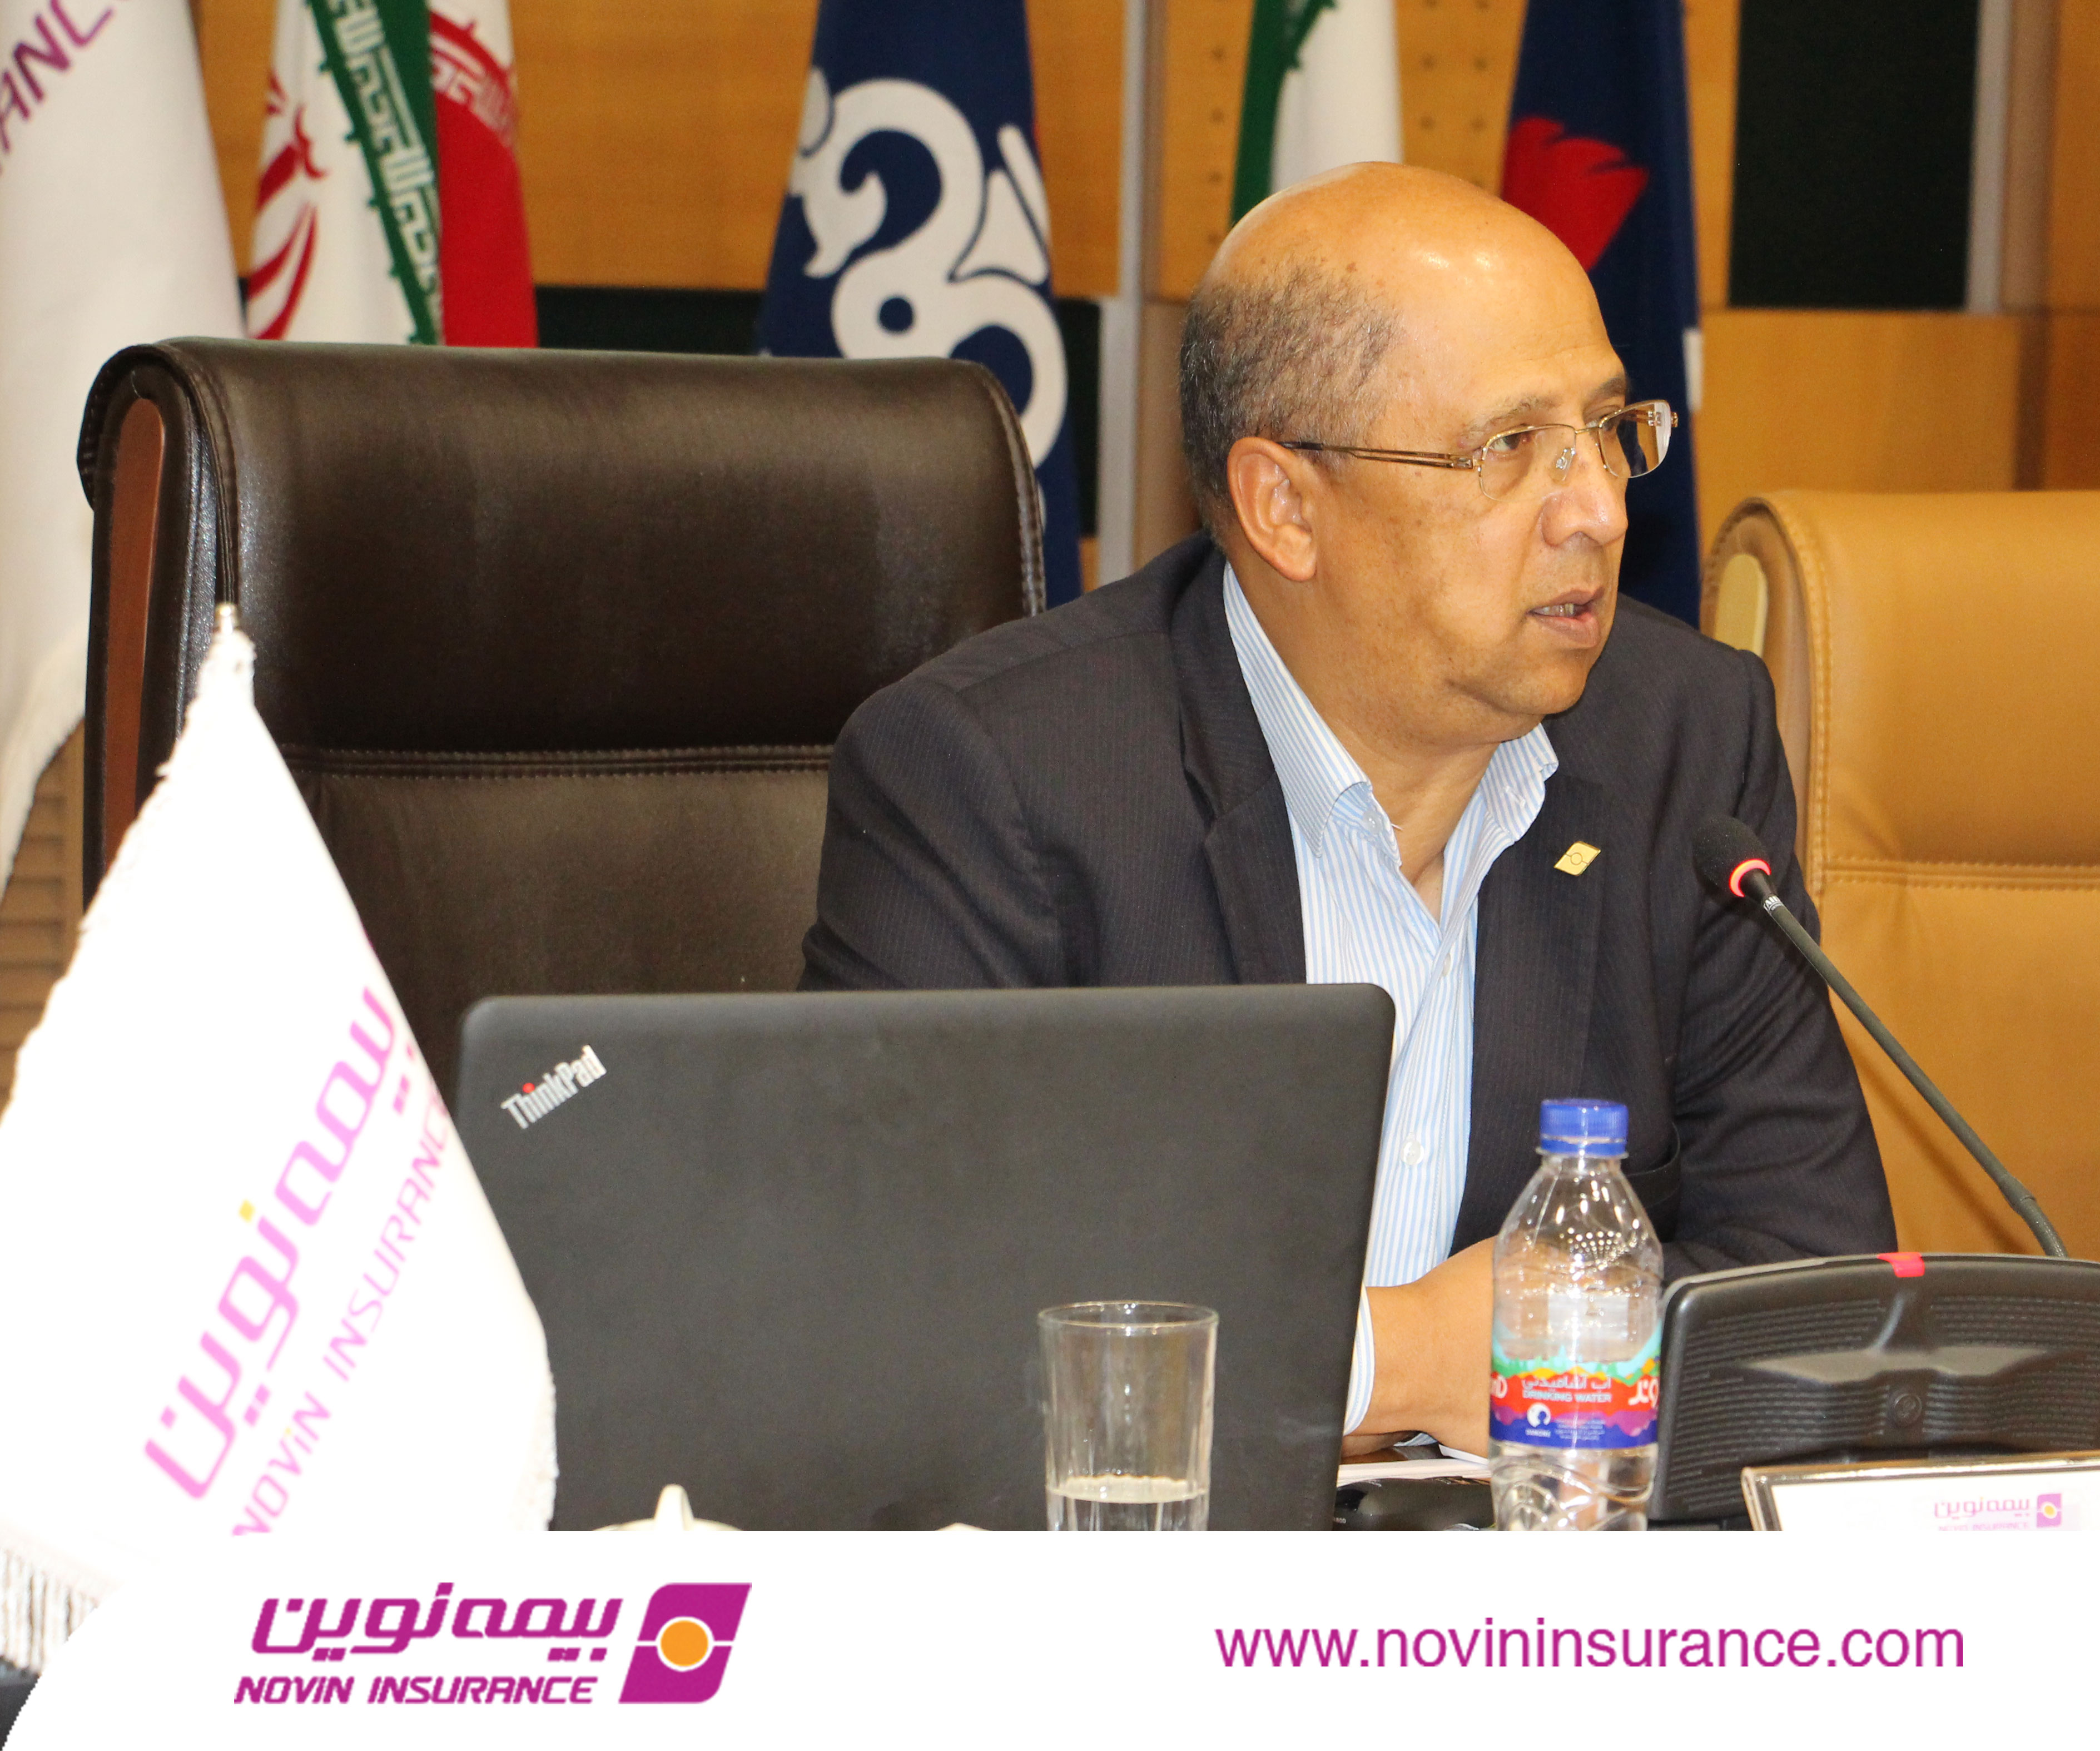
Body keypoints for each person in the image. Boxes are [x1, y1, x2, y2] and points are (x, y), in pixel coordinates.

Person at [800, 163, 1895, 1456]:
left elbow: (1816, 1302)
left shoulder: (1684, 740)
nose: (1599, 509)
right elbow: (902, 1318)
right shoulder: (996, 776)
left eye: (1606, 428)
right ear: (1284, 508)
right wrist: (1400, 1363)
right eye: (1509, 448)